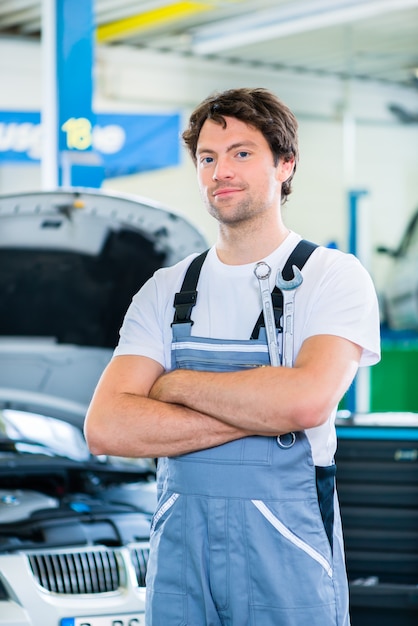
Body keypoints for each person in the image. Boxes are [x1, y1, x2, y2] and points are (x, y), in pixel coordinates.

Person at [84, 87, 380, 626]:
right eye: (207, 157)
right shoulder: (166, 289)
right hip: (180, 553)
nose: (222, 170)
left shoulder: (332, 277)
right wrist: (261, 408)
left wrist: (172, 386)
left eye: (242, 153)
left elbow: (307, 403)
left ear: (285, 165)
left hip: (287, 550)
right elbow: (106, 427)